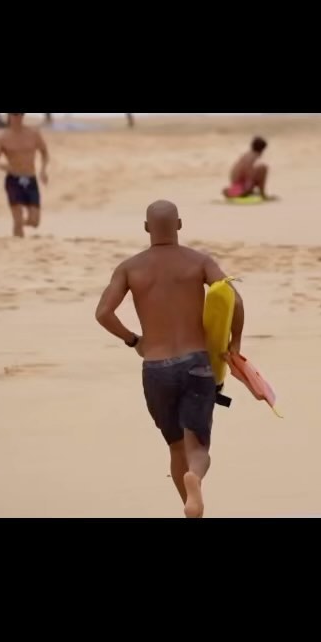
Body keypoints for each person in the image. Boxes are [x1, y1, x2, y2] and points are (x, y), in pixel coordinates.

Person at [95, 201, 244, 519]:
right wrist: (235, 343)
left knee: (175, 445)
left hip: (156, 368)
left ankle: (190, 508)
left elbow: (103, 314)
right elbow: (233, 298)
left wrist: (133, 339)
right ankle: (196, 480)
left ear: (147, 229)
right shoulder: (199, 261)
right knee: (197, 448)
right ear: (179, 225)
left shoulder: (129, 268)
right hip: (196, 363)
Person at [0, 112, 50, 237]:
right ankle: (18, 245)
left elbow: (44, 152)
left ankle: (18, 225)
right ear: (9, 116)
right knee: (18, 220)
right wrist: (2, 166)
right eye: (14, 114)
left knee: (34, 221)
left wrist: (43, 170)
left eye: (20, 114)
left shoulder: (33, 134)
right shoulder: (2, 137)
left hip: (30, 178)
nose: (17, 117)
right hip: (13, 179)